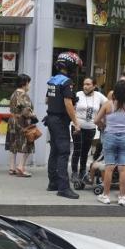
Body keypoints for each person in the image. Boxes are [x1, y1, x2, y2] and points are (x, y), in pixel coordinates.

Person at [94, 78, 125, 205]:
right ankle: (122, 197)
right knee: (123, 168)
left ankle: (106, 195)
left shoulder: (108, 104)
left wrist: (103, 125)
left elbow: (96, 120)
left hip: (110, 136)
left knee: (109, 167)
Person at [44, 52, 81, 199]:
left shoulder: (53, 80)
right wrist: (76, 122)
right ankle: (63, 188)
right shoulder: (67, 82)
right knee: (64, 152)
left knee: (54, 150)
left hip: (51, 119)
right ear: (71, 66)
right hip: (60, 121)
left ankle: (52, 182)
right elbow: (68, 104)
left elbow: (47, 100)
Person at [72, 76, 107, 187]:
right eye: (84, 84)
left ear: (94, 85)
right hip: (77, 126)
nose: (85, 86)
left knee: (85, 151)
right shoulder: (78, 95)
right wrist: (75, 122)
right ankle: (74, 172)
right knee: (77, 150)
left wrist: (102, 118)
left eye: (88, 84)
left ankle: (83, 171)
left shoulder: (99, 96)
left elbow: (109, 105)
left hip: (91, 128)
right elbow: (71, 108)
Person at [5, 74, 35, 177]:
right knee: (28, 143)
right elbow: (26, 111)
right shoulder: (23, 95)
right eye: (28, 83)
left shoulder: (14, 94)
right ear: (25, 83)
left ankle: (12, 167)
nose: (29, 86)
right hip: (22, 122)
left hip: (12, 120)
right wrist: (33, 115)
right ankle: (21, 167)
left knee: (13, 143)